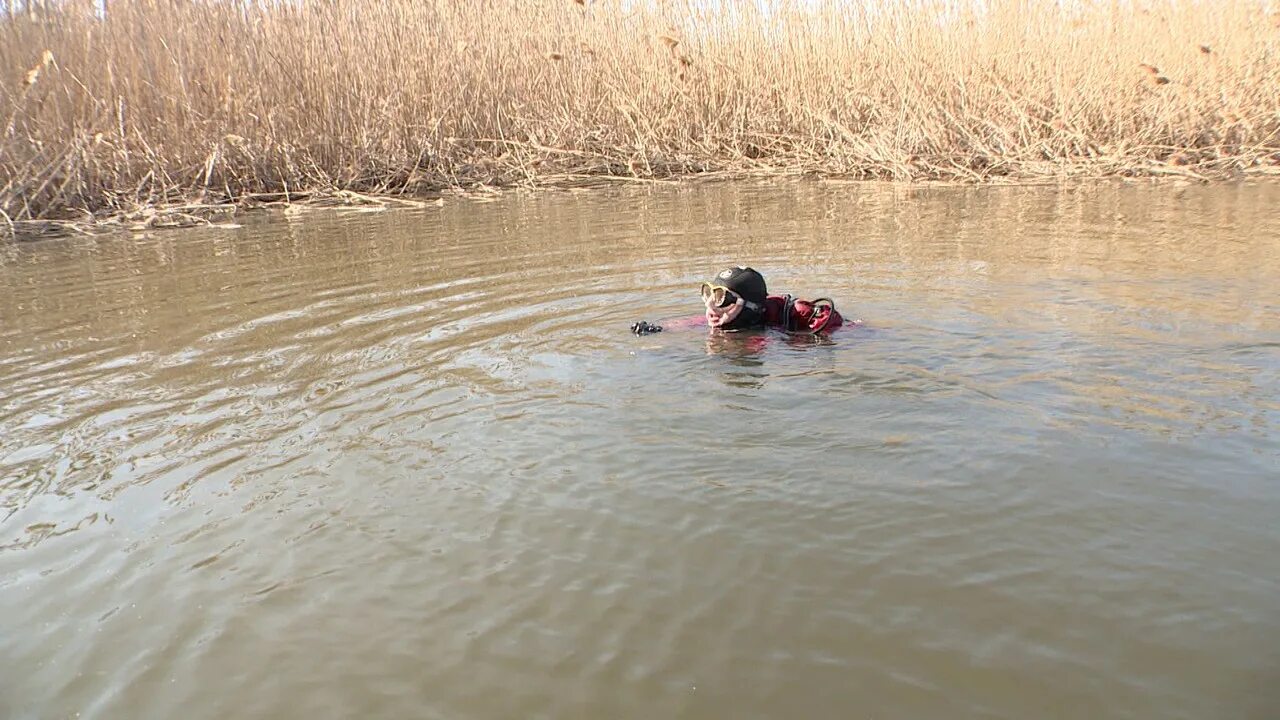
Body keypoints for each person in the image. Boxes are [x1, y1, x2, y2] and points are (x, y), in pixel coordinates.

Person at [702, 266, 843, 333]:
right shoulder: (722, 316)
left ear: (751, 307)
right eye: (711, 294)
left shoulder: (765, 339)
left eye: (723, 299)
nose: (711, 306)